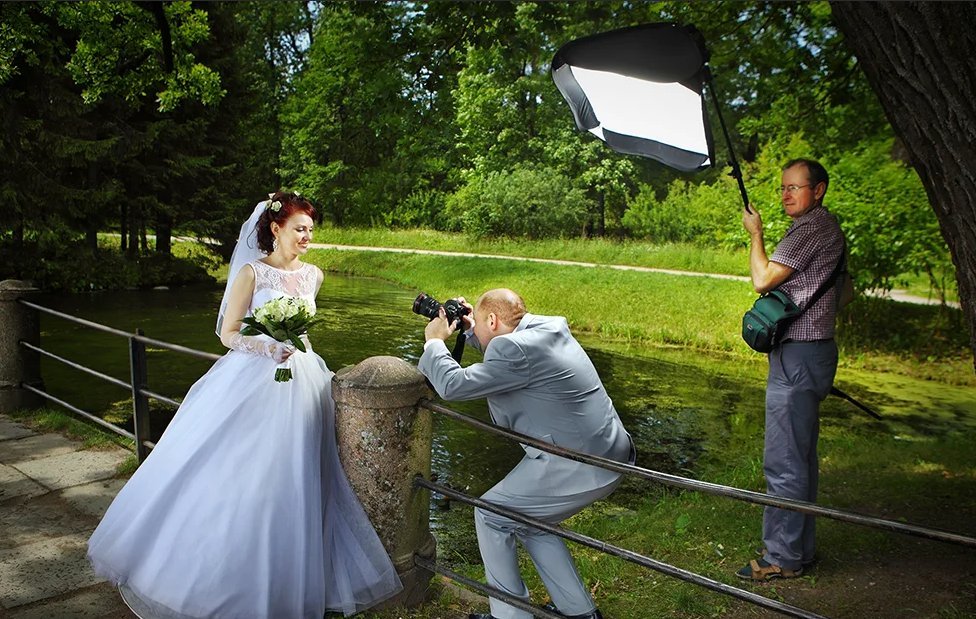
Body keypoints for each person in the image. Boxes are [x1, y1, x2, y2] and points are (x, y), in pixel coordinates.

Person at [87, 192, 402, 618]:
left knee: (302, 474)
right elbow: (228, 333)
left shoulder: (314, 276)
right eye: (299, 229)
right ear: (276, 228)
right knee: (250, 473)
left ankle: (293, 575)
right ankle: (225, 578)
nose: (308, 236)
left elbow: (305, 331)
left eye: (311, 229)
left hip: (302, 377)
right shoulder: (252, 274)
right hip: (254, 376)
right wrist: (266, 346)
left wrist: (291, 348)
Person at [418, 289, 635, 619]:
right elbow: (504, 352)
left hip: (579, 463)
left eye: (479, 321)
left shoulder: (511, 349)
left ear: (492, 320)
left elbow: (453, 386)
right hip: (606, 450)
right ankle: (579, 612)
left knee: (490, 514)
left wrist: (434, 341)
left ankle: (510, 616)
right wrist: (467, 329)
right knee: (531, 520)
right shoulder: (545, 328)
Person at [737, 159, 847, 581]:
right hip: (815, 350)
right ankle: (800, 549)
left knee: (784, 460)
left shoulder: (811, 230)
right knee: (801, 458)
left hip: (798, 356)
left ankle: (780, 558)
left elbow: (763, 279)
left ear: (818, 190)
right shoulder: (831, 230)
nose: (785, 195)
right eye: (783, 188)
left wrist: (756, 234)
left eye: (794, 188)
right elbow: (845, 293)